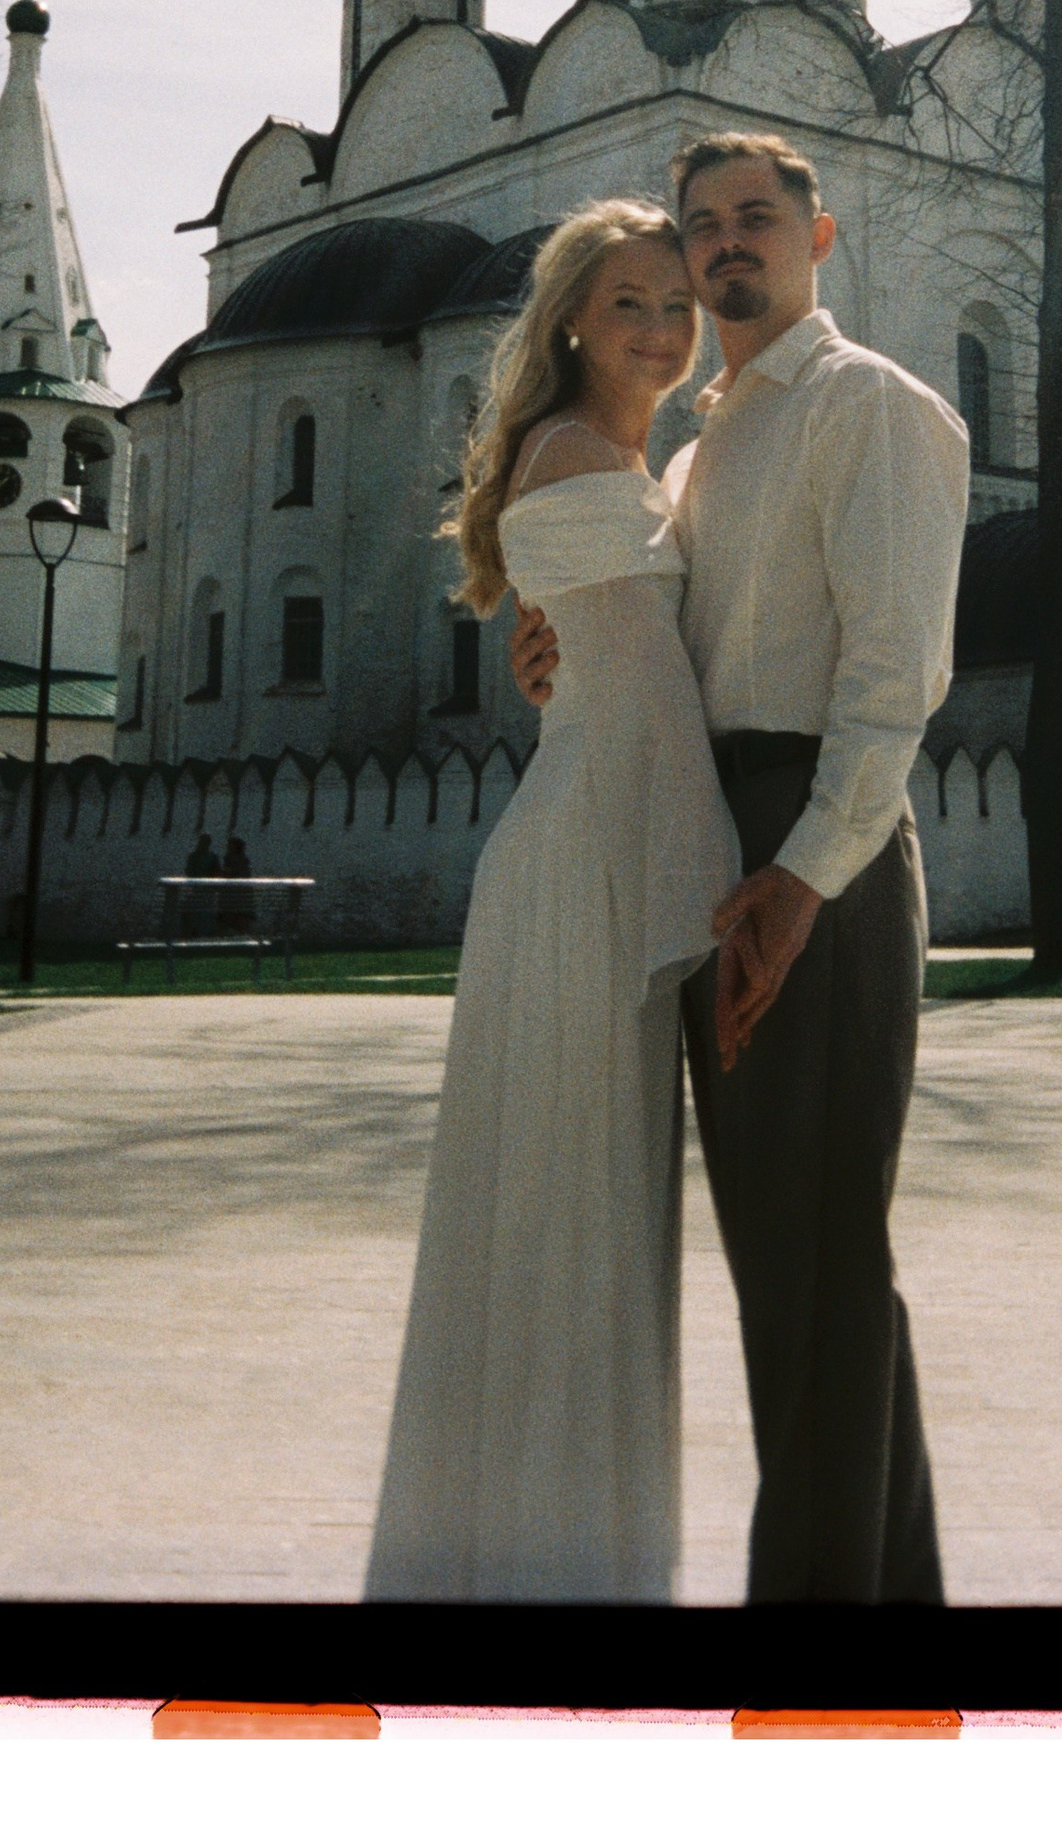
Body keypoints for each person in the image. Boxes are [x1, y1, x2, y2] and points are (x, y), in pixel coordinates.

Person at [512, 133, 972, 1606]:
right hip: (720, 836)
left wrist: (806, 876)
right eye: (703, 222)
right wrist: (563, 655)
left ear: (817, 239)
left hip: (812, 842)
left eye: (756, 218)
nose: (725, 244)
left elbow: (894, 677)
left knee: (815, 1263)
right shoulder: (700, 452)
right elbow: (673, 657)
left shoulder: (872, 407)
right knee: (803, 1269)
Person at [364, 202, 739, 1604]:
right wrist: (726, 906)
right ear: (573, 318)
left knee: (560, 1203)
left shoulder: (609, 459)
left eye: (677, 305)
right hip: (592, 859)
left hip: (572, 843)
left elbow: (602, 669)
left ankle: (523, 1545)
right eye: (629, 301)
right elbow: (652, 710)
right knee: (578, 1207)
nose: (659, 328)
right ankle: (560, 1567)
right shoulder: (583, 457)